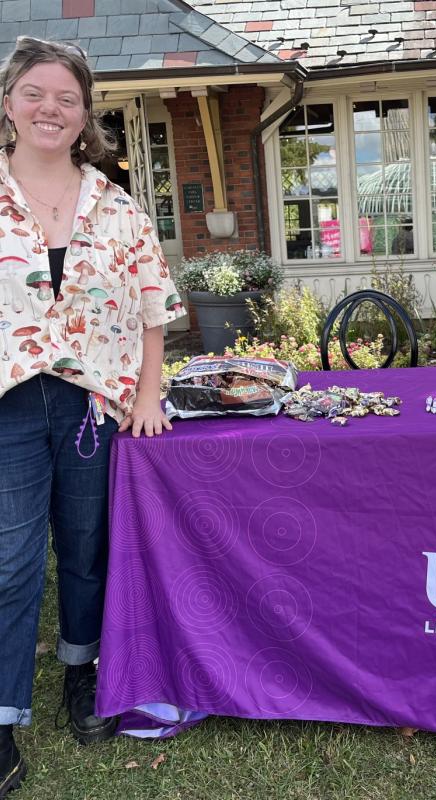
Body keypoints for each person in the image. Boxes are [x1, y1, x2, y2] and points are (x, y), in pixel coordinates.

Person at [0, 37, 186, 795]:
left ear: (85, 115)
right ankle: (5, 712)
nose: (51, 108)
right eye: (35, 93)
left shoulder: (115, 204)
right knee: (10, 564)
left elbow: (152, 307)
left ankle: (83, 675)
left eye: (66, 98)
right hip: (9, 404)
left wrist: (147, 392)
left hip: (92, 403)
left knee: (86, 547)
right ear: (9, 103)